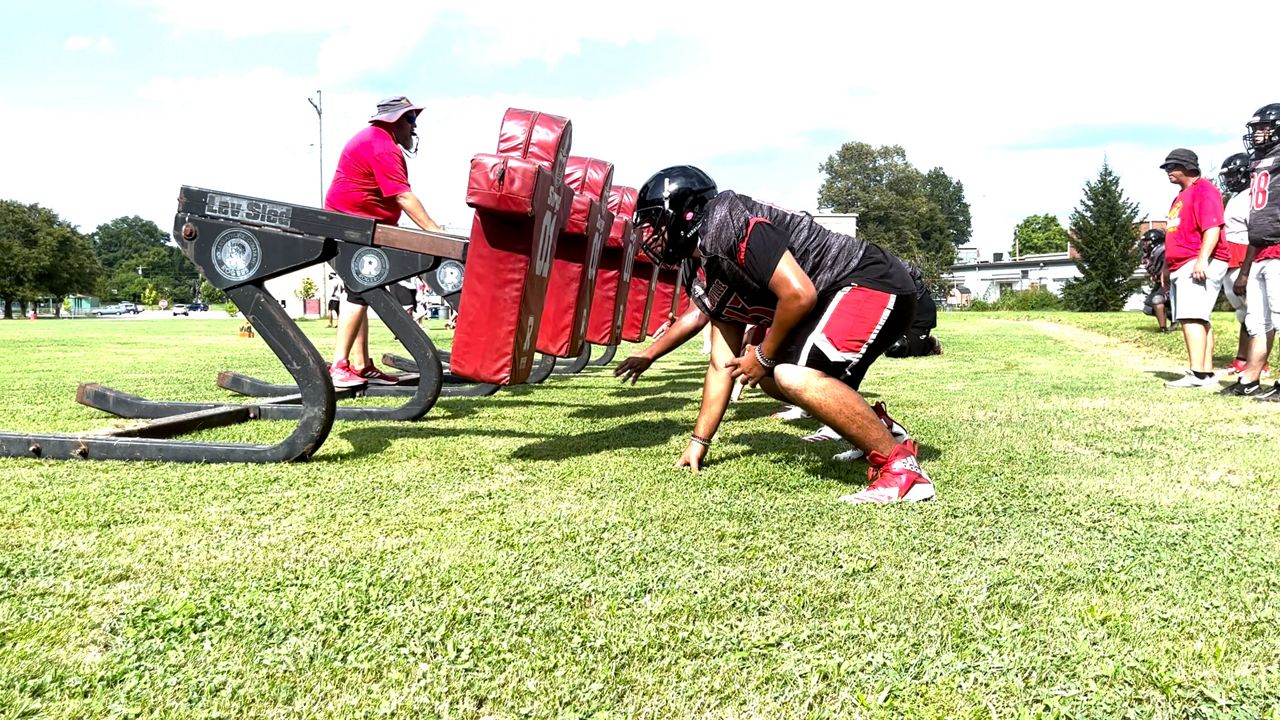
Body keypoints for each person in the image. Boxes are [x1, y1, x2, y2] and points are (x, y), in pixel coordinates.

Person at [632, 165, 934, 505]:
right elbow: (722, 365)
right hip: (843, 292)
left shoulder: (722, 223)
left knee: (790, 375)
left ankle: (903, 473)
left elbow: (798, 294)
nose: (652, 236)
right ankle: (878, 429)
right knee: (766, 377)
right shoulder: (703, 266)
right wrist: (699, 441)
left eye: (655, 223)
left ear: (685, 214)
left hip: (870, 280)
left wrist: (762, 355)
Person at [324, 96, 444, 388]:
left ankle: (361, 364)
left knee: (361, 291)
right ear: (395, 120)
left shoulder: (379, 141)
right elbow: (402, 196)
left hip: (361, 226)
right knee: (361, 290)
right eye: (411, 120)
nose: (414, 128)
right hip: (351, 225)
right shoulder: (382, 147)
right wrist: (435, 232)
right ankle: (340, 365)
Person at [1223, 103, 1280, 399]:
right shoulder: (1262, 161)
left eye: (1264, 127)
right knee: (1257, 321)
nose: (1258, 134)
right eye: (1256, 128)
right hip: (1261, 248)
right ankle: (1250, 379)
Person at [1159, 148, 1229, 389]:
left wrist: (1202, 259)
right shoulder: (1180, 196)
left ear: (1187, 167)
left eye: (1172, 167)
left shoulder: (1204, 191)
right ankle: (1206, 373)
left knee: (1191, 317)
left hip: (1197, 261)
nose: (1168, 172)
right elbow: (1175, 233)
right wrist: (1168, 267)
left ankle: (1197, 374)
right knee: (1199, 317)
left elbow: (1213, 227)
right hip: (1181, 263)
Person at [1218, 152, 1272, 381]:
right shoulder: (1238, 196)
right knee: (1244, 314)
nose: (1228, 180)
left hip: (1243, 260)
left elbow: (1254, 235)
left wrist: (1244, 272)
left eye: (1232, 174)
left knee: (1256, 314)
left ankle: (1259, 364)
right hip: (1232, 261)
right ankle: (1242, 360)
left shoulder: (1254, 196)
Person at [1139, 229, 1171, 333]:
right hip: (1160, 282)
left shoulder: (1162, 250)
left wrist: (1164, 280)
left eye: (1147, 242)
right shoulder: (1152, 253)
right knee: (1148, 308)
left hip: (1169, 282)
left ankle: (1163, 328)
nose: (1145, 244)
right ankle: (1173, 315)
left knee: (1157, 300)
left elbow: (1167, 267)